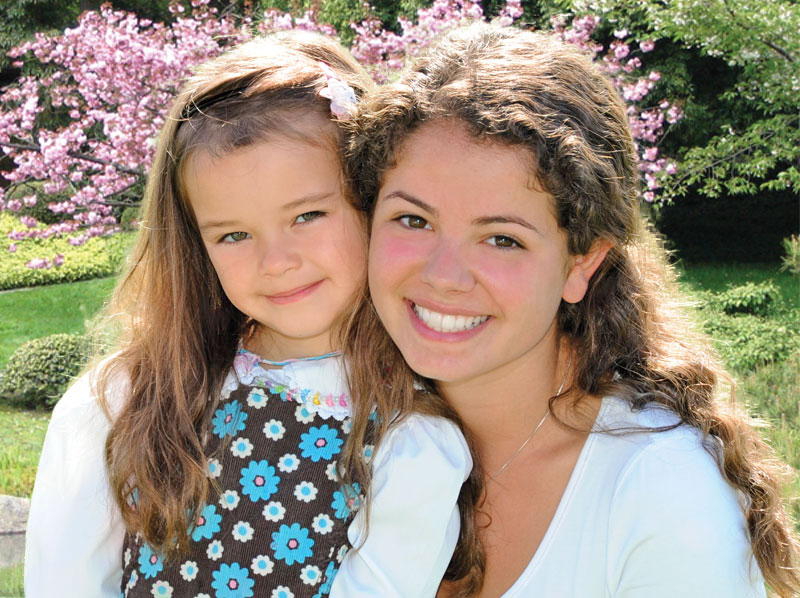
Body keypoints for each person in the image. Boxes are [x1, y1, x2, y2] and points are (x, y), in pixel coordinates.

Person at [345, 23, 800, 597]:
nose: (443, 276)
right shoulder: (336, 435)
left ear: (582, 263)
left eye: (502, 239)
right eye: (414, 220)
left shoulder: (659, 493)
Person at [24, 31, 478, 598]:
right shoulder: (129, 399)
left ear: (371, 198)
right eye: (234, 234)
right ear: (198, 246)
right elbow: (64, 581)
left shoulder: (410, 436)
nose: (276, 261)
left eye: (307, 214)